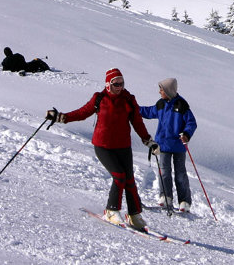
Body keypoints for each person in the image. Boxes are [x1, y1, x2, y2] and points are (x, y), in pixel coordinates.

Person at [46, 68, 158, 230]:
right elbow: (82, 113)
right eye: (116, 84)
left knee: (129, 180)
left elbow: (137, 122)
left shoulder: (128, 99)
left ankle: (134, 215)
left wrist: (148, 141)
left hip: (123, 146)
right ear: (108, 84)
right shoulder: (100, 99)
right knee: (119, 176)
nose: (119, 87)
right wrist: (60, 117)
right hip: (103, 146)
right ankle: (111, 210)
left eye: (122, 83)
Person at [139, 77, 197, 213]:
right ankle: (166, 197)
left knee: (180, 174)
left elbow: (191, 123)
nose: (159, 92)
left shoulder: (182, 105)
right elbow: (148, 111)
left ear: (168, 90)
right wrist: (133, 108)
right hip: (163, 145)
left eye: (161, 89)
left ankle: (184, 201)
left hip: (178, 146)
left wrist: (186, 134)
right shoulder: (161, 104)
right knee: (164, 172)